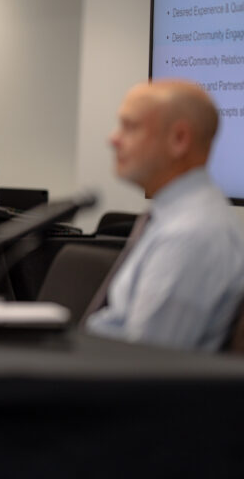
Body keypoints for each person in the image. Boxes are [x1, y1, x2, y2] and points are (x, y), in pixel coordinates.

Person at [85, 80, 244, 350]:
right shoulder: (173, 217)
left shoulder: (191, 235)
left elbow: (143, 365)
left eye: (130, 126)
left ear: (179, 140)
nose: (112, 139)